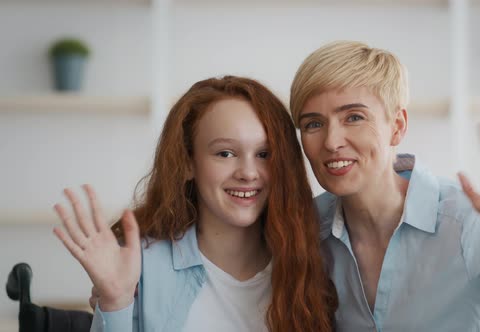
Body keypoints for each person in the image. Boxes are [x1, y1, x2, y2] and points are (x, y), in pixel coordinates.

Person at [289, 41, 480, 331]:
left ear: (397, 127)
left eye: (354, 117)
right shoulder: (306, 227)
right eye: (314, 124)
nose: (331, 141)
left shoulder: (468, 222)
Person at [52, 76, 337, 332]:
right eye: (225, 153)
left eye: (264, 154)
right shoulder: (141, 265)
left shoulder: (318, 255)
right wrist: (115, 301)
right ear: (188, 162)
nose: (248, 172)